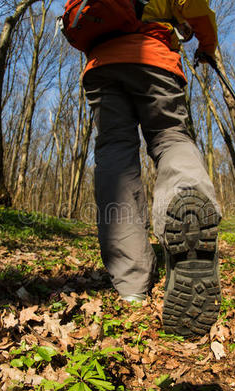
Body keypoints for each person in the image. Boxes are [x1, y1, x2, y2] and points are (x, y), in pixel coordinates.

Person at [82, 0, 222, 337]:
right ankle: (185, 195)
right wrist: (207, 45)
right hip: (154, 56)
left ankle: (130, 284)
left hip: (102, 63)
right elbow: (194, 5)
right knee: (169, 136)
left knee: (115, 152)